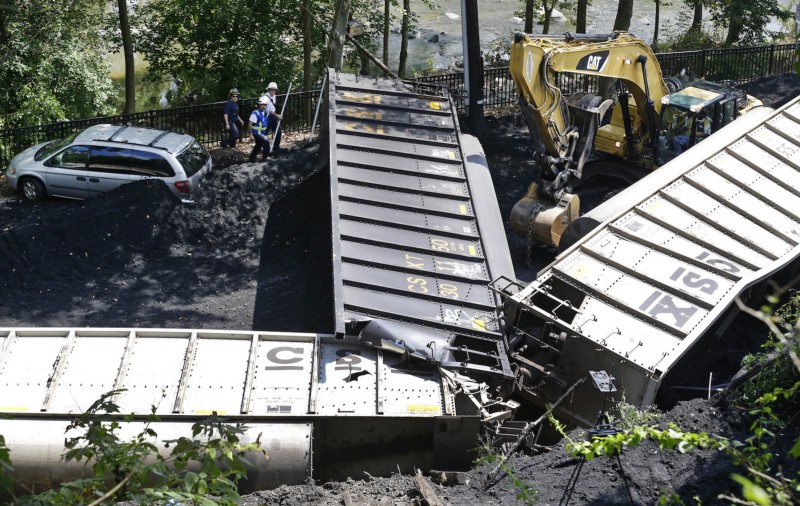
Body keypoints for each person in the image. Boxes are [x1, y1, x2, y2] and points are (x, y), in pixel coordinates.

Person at [248, 96, 271, 162]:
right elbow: (250, 124)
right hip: (256, 133)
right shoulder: (255, 113)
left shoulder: (266, 112)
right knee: (266, 141)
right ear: (259, 105)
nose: (263, 106)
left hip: (262, 133)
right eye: (262, 105)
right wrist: (251, 135)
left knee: (258, 145)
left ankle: (251, 159)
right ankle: (266, 157)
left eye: (265, 105)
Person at [264, 82, 283, 156]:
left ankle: (276, 148)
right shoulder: (265, 98)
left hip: (272, 117)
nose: (273, 92)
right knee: (264, 134)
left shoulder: (274, 96)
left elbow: (273, 108)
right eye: (271, 90)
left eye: (274, 90)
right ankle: (265, 150)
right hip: (266, 117)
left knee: (278, 131)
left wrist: (276, 117)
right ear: (269, 90)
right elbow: (269, 110)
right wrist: (277, 116)